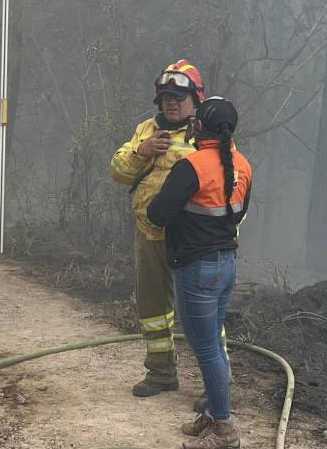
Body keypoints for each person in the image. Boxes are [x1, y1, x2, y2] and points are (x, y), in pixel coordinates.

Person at [147, 97, 252, 449]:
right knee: (214, 347)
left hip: (198, 269)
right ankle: (213, 413)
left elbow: (158, 214)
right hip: (226, 265)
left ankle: (224, 430)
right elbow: (235, 216)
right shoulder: (243, 166)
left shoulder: (191, 167)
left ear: (201, 127)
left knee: (206, 349)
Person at [110, 60, 205, 397]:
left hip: (192, 240)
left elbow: (230, 181)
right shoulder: (145, 130)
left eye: (179, 96)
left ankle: (215, 386)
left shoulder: (208, 133)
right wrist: (141, 151)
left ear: (195, 99)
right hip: (150, 236)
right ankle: (161, 373)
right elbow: (118, 170)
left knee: (200, 312)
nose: (171, 102)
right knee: (153, 309)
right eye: (166, 96)